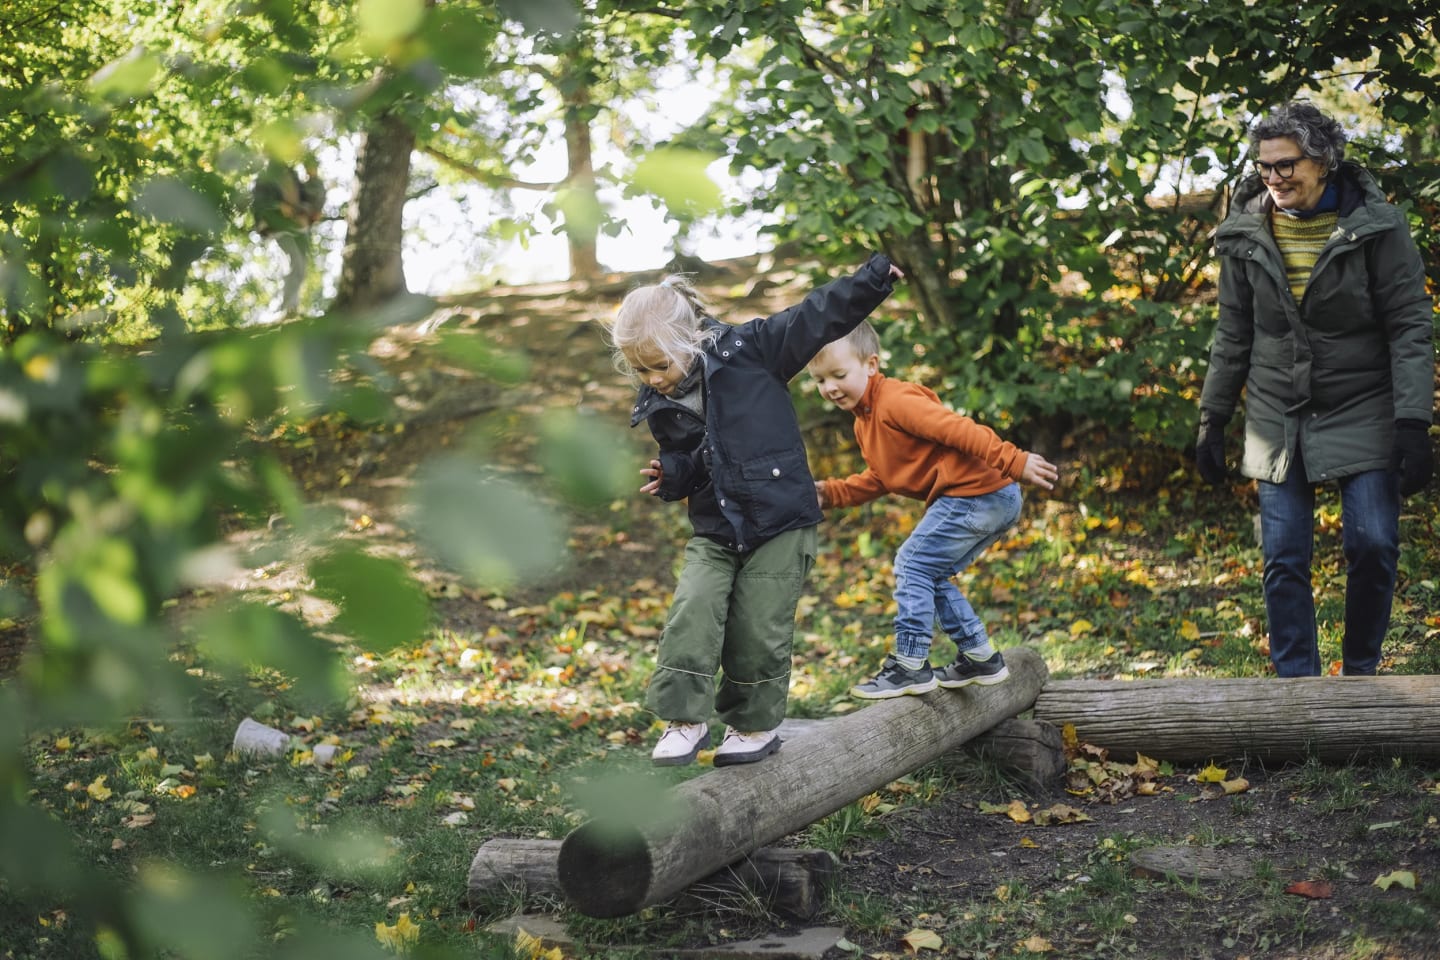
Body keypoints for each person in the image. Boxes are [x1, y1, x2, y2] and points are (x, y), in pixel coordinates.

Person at [609, 254, 903, 766]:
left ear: (691, 341)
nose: (651, 379)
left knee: (757, 629)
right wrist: (672, 474)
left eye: (659, 365)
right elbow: (691, 459)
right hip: (716, 526)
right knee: (692, 609)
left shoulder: (751, 351)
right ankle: (685, 717)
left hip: (780, 521)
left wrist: (872, 280)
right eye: (639, 369)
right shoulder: (659, 402)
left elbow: (815, 317)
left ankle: (752, 726)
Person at [1195, 100, 1435, 677]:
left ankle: (1359, 677)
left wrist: (1413, 422)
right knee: (1283, 557)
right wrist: (1213, 418)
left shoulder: (1377, 227)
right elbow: (1234, 330)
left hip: (1365, 403)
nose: (1274, 178)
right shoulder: (1245, 234)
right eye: (1264, 168)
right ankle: (1296, 688)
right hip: (1278, 412)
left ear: (1323, 161)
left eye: (1287, 165)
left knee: (1374, 546)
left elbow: (1409, 325)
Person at [808, 321, 1059, 699]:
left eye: (839, 375)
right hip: (982, 496)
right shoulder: (866, 422)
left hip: (979, 493)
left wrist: (1014, 460)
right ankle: (979, 657)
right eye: (819, 380)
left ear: (871, 365)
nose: (829, 388)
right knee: (929, 572)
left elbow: (959, 429)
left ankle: (910, 664)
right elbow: (882, 477)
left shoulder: (896, 401)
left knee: (911, 564)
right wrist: (830, 494)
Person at [252, 156, 326, 316]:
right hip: (279, 227)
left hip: (299, 228)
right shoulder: (264, 178)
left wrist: (312, 209)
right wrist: (278, 206)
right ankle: (286, 309)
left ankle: (292, 307)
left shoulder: (293, 176)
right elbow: (259, 203)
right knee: (294, 262)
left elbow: (306, 198)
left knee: (301, 268)